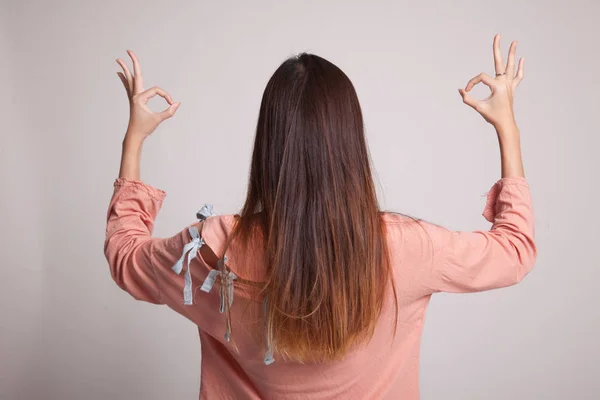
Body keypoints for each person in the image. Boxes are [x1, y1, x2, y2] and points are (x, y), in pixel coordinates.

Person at [105, 34, 536, 399]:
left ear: (268, 144)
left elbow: (124, 256)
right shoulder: (404, 247)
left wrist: (134, 139)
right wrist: (508, 129)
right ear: (350, 144)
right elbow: (514, 251)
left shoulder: (214, 247)